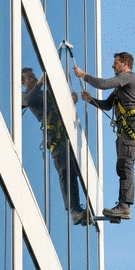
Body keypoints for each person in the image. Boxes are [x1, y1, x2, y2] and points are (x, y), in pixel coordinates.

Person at [73, 52, 135, 220]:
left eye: (116, 63)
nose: (113, 66)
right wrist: (91, 100)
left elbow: (103, 84)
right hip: (127, 128)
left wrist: (83, 75)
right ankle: (123, 205)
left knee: (125, 164)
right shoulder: (120, 87)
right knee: (122, 165)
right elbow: (107, 105)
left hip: (131, 126)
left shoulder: (128, 77)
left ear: (125, 64)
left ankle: (124, 206)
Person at [21, 67, 87, 225]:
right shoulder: (25, 96)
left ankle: (78, 209)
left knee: (72, 171)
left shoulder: (46, 94)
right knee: (65, 171)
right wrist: (40, 84)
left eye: (34, 75)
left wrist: (70, 101)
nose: (34, 77)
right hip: (54, 138)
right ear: (23, 82)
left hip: (64, 136)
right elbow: (29, 101)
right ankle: (74, 210)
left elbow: (61, 108)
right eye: (30, 77)